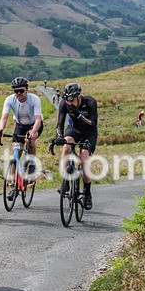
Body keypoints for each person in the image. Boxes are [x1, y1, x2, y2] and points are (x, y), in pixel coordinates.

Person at [54, 82, 98, 210]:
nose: (68, 103)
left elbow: (92, 124)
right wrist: (59, 136)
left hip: (89, 132)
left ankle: (87, 192)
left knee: (84, 157)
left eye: (71, 100)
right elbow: (60, 124)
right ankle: (66, 181)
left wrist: (78, 114)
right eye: (67, 100)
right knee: (66, 147)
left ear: (79, 97)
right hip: (74, 130)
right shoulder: (65, 104)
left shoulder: (90, 102)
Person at [0, 77, 43, 194]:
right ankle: (13, 184)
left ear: (26, 90)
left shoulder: (34, 99)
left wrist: (32, 132)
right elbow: (4, 117)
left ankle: (32, 163)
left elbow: (38, 120)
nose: (19, 94)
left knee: (29, 140)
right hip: (20, 125)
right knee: (15, 150)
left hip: (34, 124)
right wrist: (1, 130)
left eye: (21, 91)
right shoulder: (10, 100)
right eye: (16, 91)